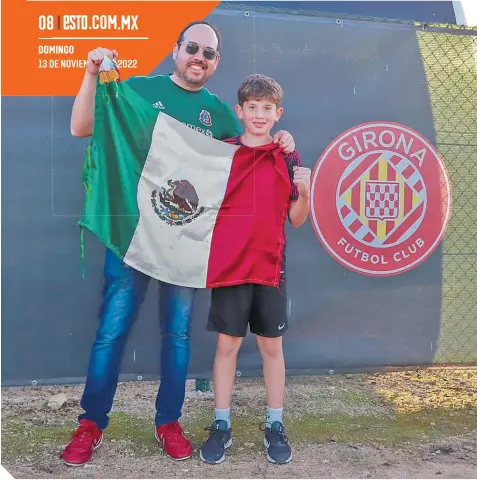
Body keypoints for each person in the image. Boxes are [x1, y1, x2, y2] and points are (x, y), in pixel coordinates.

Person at [62, 21, 297, 466]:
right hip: (131, 239)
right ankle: (90, 424)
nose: (199, 58)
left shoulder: (224, 116)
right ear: (176, 50)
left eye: (209, 54)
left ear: (216, 64)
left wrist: (285, 142)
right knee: (111, 333)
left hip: (186, 247)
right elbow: (81, 127)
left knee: (178, 336)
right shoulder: (137, 91)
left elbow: (256, 150)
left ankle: (168, 422)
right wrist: (91, 74)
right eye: (193, 48)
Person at [198, 74, 310, 465]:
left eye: (267, 109)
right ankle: (221, 423)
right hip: (230, 268)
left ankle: (275, 423)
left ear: (278, 114)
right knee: (226, 346)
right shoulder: (222, 152)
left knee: (271, 348)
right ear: (239, 111)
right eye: (253, 108)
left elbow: (296, 219)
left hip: (270, 267)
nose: (259, 115)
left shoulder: (288, 156)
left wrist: (306, 189)